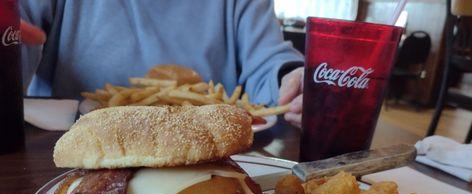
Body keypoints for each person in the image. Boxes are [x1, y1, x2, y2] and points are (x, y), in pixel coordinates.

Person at [19, 0, 304, 127]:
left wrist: (294, 80)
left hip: (211, 157)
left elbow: (269, 62)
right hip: (70, 153)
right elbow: (13, 42)